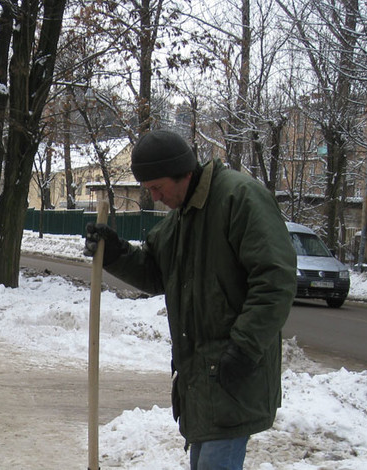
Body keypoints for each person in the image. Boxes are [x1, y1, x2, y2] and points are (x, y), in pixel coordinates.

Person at [84, 130, 296, 470]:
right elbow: (155, 272)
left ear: (183, 172)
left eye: (157, 187)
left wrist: (244, 348)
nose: (155, 197)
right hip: (201, 380)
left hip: (231, 373)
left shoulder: (238, 199)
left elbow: (276, 279)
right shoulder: (182, 218)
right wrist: (116, 253)